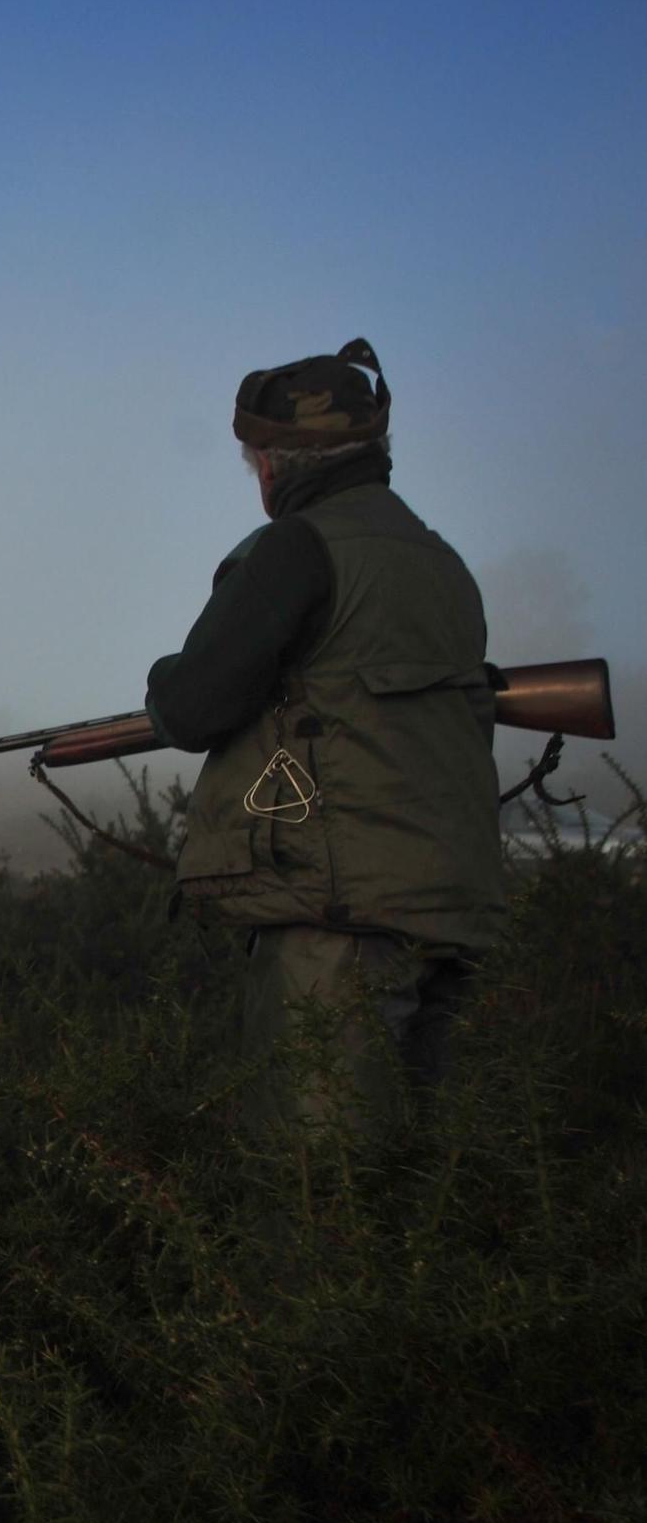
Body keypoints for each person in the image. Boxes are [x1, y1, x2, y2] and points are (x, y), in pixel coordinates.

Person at [145, 339, 506, 1135]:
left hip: (337, 926)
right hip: (454, 911)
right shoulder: (440, 562)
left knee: (312, 1197)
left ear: (274, 463)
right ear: (375, 447)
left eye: (254, 464)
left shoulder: (295, 548)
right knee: (430, 1191)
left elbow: (192, 707)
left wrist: (162, 681)